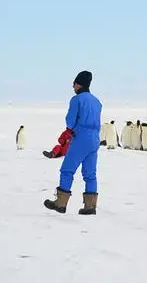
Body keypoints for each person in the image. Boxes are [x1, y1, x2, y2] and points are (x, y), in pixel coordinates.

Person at [44, 70, 102, 215]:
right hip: (95, 140)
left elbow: (70, 121)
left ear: (79, 84)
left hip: (81, 138)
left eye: (74, 84)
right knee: (90, 173)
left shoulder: (76, 100)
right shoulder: (97, 101)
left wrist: (71, 129)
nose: (73, 87)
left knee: (67, 170)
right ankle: (90, 207)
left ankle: (60, 203)